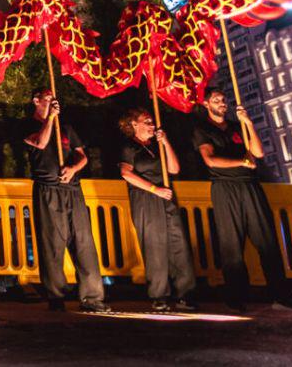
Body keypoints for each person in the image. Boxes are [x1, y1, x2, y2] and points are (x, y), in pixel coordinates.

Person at [191, 88, 292, 311]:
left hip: (250, 185)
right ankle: (236, 296)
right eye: (216, 100)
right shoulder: (202, 129)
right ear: (206, 104)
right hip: (225, 188)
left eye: (224, 100)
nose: (222, 103)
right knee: (231, 244)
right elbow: (210, 160)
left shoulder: (236, 126)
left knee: (267, 241)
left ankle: (281, 294)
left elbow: (258, 153)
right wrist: (241, 163)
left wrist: (248, 123)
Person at [22, 88, 111, 313]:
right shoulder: (27, 126)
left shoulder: (67, 129)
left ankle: (92, 298)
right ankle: (56, 296)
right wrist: (51, 117)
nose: (53, 101)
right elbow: (40, 143)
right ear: (36, 101)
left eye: (55, 98)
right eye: (48, 98)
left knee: (84, 242)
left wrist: (72, 168)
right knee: (52, 242)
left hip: (72, 189)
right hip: (48, 190)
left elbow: (82, 156)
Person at [117, 108, 196, 312]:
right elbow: (126, 173)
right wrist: (154, 189)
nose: (152, 124)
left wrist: (166, 143)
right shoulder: (129, 147)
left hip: (166, 195)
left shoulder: (156, 145)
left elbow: (174, 169)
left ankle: (185, 293)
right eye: (147, 121)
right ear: (134, 124)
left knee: (178, 243)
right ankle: (159, 295)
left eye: (152, 121)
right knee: (154, 246)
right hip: (146, 196)